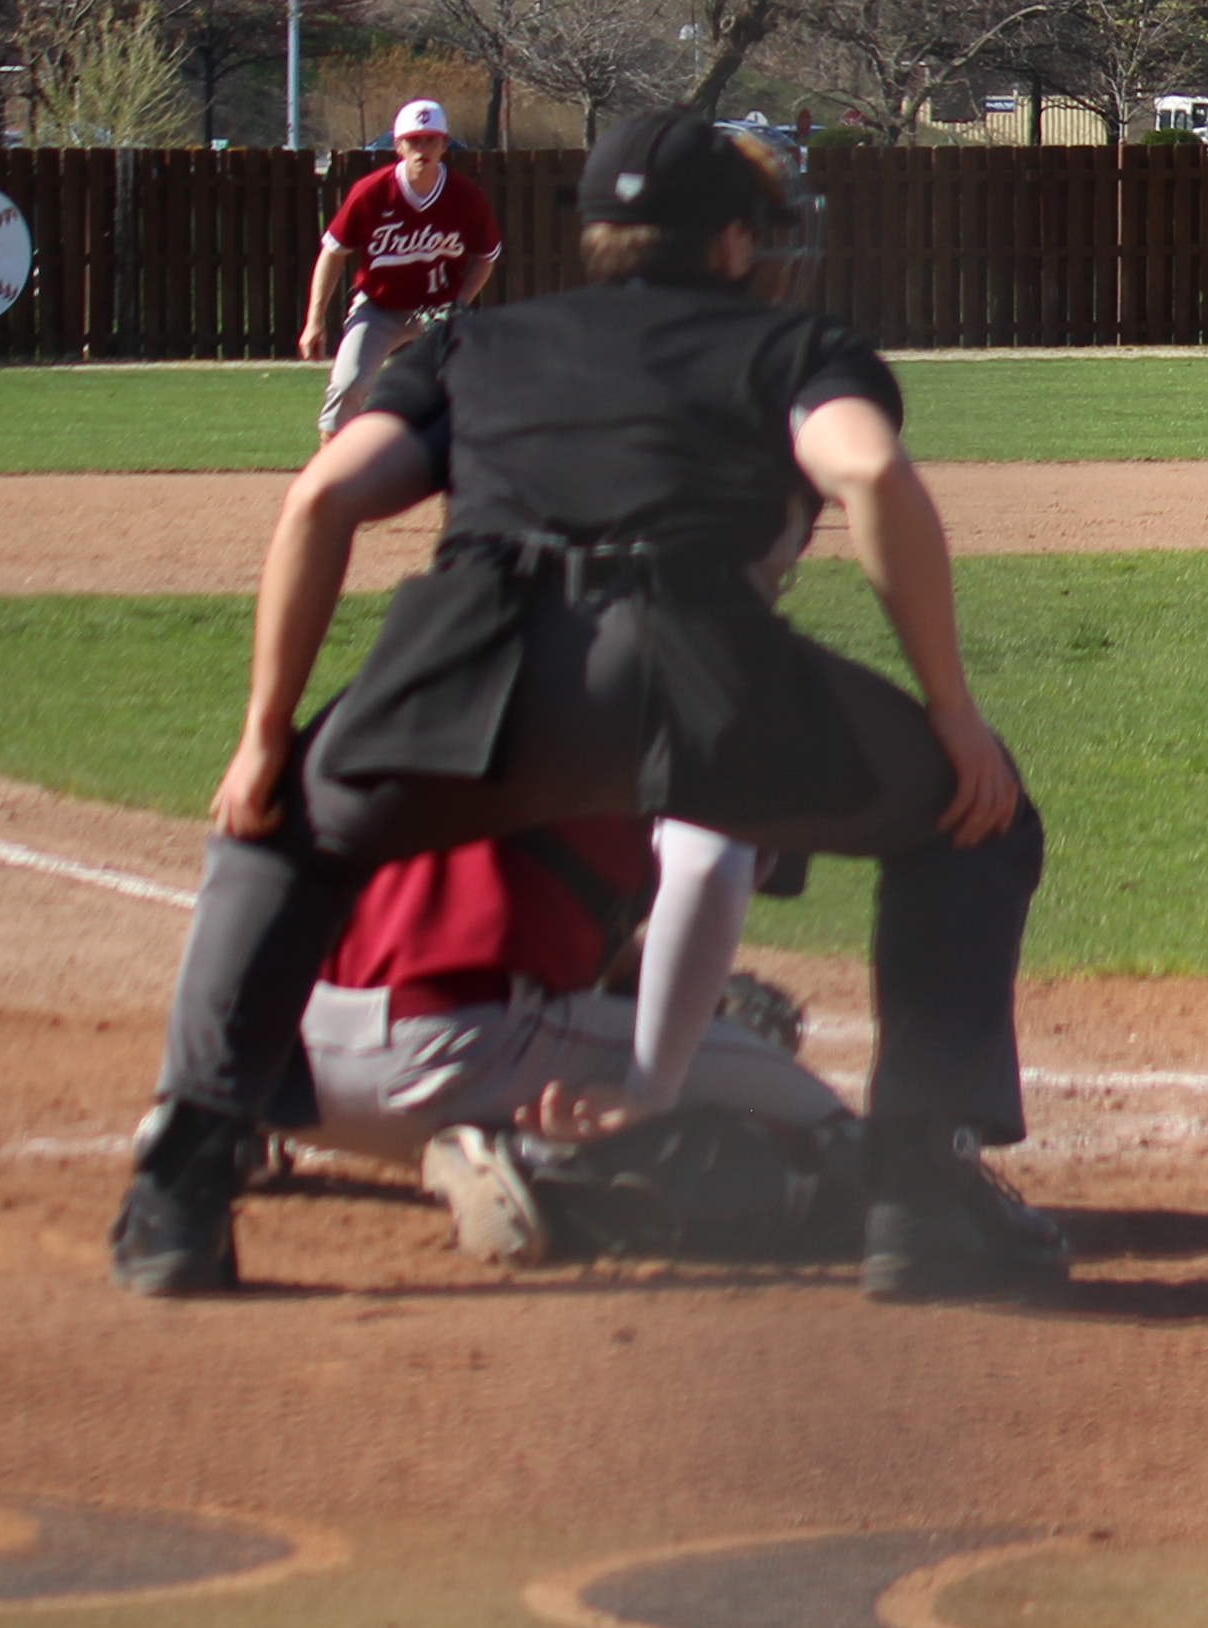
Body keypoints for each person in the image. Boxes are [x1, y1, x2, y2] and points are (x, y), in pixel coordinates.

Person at [108, 109, 1062, 1301]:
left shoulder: (475, 343)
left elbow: (322, 501)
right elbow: (866, 470)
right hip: (697, 665)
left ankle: (183, 1187)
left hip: (468, 664)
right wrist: (952, 710)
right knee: (977, 819)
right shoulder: (793, 345)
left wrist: (264, 738)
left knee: (277, 835)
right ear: (732, 242)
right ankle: (924, 1196)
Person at [290, 813, 858, 1266]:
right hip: (445, 1063)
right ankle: (541, 1167)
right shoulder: (707, 720)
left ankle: (246, 1139)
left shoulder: (479, 724)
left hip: (287, 1069)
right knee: (839, 1148)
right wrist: (651, 1092)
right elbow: (708, 867)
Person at [302, 98, 507, 436]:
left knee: (475, 388)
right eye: (413, 141)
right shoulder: (371, 192)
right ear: (398, 146)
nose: (422, 149)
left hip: (439, 311)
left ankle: (471, 466)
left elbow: (486, 255)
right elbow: (333, 252)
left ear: (444, 145)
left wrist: (461, 301)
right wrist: (314, 321)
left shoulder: (466, 197)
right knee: (348, 384)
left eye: (430, 140)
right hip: (379, 308)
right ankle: (334, 462)